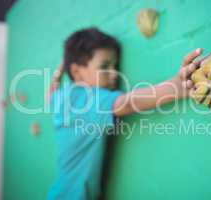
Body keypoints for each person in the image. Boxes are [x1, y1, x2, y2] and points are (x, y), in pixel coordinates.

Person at [47, 27, 202, 200]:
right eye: (104, 66)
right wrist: (176, 86)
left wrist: (58, 73)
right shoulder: (86, 97)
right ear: (76, 71)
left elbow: (50, 94)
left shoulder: (62, 97)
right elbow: (126, 103)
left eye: (115, 66)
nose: (114, 74)